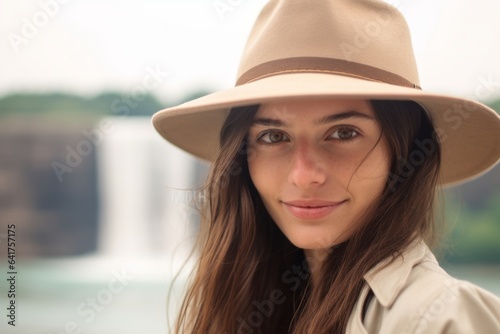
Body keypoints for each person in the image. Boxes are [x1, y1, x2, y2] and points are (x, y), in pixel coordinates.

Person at [152, 0, 500, 333]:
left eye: (343, 133)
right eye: (274, 136)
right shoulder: (257, 304)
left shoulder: (441, 319)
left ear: (406, 151)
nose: (303, 175)